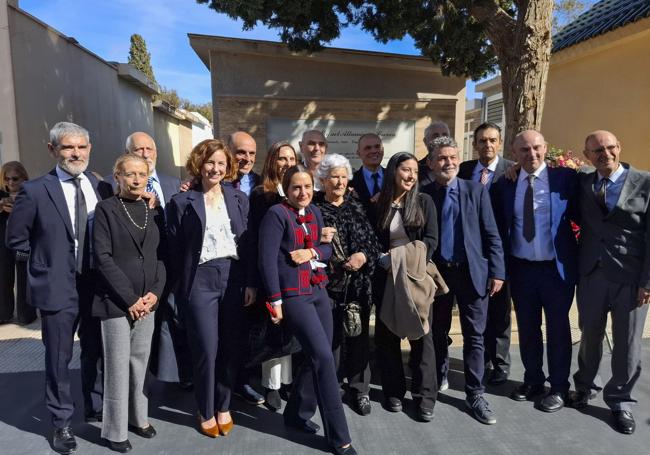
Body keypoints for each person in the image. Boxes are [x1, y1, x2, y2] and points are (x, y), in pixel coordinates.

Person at [6, 122, 111, 454]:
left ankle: (95, 406)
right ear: (53, 150)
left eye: (81, 146)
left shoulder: (100, 187)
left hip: (96, 284)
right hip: (56, 289)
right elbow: (16, 239)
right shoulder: (36, 190)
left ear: (89, 149)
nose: (75, 153)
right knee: (59, 357)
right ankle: (61, 421)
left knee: (96, 350)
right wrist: (42, 267)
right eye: (68, 147)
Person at [258, 165, 356, 455]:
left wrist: (312, 252)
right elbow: (266, 261)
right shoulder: (276, 215)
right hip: (293, 296)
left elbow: (326, 249)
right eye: (295, 188)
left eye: (306, 187)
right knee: (324, 358)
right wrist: (275, 301)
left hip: (318, 290)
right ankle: (340, 437)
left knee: (320, 355)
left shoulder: (314, 212)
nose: (302, 193)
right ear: (285, 191)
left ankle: (296, 414)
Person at [167, 139, 251, 438]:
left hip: (233, 276)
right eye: (210, 162)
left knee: (230, 345)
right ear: (199, 165)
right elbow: (174, 251)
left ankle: (224, 406)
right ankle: (204, 408)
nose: (215, 168)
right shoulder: (181, 202)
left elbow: (248, 243)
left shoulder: (239, 198)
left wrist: (251, 282)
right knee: (206, 347)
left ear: (227, 168)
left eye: (221, 163)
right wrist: (181, 287)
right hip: (199, 280)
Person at [491, 130, 578, 413]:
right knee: (527, 329)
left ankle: (560, 387)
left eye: (537, 148)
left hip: (555, 271)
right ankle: (533, 380)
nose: (532, 155)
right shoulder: (505, 184)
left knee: (558, 330)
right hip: (522, 269)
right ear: (514, 154)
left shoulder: (565, 179)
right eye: (524, 150)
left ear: (546, 148)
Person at [570, 130, 650, 435]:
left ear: (619, 148)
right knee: (590, 334)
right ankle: (586, 385)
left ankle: (620, 401)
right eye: (597, 150)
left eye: (610, 147)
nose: (605, 154)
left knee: (627, 342)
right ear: (587, 154)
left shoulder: (645, 182)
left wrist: (648, 281)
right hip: (592, 273)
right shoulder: (582, 180)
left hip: (631, 278)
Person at [421, 137, 505, 425]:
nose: (449, 163)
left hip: (472, 273)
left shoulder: (475, 191)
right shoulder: (424, 194)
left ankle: (475, 393)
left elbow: (491, 233)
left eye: (453, 157)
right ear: (431, 163)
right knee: (437, 332)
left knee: (475, 335)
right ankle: (438, 376)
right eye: (442, 158)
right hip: (437, 275)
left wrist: (497, 271)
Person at [93, 154, 166, 452]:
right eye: (130, 174)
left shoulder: (153, 211)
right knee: (117, 367)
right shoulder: (106, 210)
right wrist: (130, 299)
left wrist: (155, 293)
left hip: (148, 301)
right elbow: (103, 258)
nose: (136, 179)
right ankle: (114, 430)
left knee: (139, 364)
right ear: (117, 177)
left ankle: (139, 418)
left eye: (142, 174)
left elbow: (161, 256)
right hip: (116, 302)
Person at [108, 132, 191, 390]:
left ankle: (175, 375)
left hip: (171, 265)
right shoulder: (117, 189)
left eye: (149, 149)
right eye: (138, 149)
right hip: (136, 272)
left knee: (172, 321)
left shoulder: (173, 183)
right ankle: (137, 387)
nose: (145, 154)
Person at [371, 152, 438, 422]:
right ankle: (394, 392)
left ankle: (424, 397)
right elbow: (372, 239)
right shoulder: (378, 203)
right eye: (405, 170)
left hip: (416, 279)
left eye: (414, 171)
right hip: (386, 278)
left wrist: (399, 260)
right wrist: (383, 261)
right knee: (387, 338)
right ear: (393, 172)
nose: (411, 176)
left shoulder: (424, 202)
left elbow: (431, 241)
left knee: (422, 338)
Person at [313, 153, 381, 416]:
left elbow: (373, 242)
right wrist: (319, 236)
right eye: (334, 177)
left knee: (359, 337)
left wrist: (363, 255)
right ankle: (330, 388)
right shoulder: (316, 209)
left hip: (357, 285)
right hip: (326, 285)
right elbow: (300, 240)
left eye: (343, 177)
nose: (340, 182)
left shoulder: (357, 205)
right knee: (330, 339)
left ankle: (359, 390)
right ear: (323, 180)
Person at [458, 122, 515, 386]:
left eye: (492, 140)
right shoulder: (464, 170)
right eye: (482, 141)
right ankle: (485, 361)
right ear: (475, 144)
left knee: (500, 312)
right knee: (478, 310)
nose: (487, 145)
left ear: (500, 143)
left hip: (500, 251)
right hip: (470, 253)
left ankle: (501, 363)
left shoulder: (511, 171)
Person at [248, 140, 298, 411]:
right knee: (272, 328)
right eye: (281, 158)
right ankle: (271, 386)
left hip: (293, 272)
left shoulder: (298, 191)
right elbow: (256, 238)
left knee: (289, 330)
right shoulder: (261, 194)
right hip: (270, 271)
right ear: (272, 162)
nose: (287, 163)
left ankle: (286, 381)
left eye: (291, 159)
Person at [0, 161, 35, 324]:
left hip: (23, 241)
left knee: (24, 278)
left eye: (15, 178)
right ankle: (3, 313)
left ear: (23, 178)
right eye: (7, 179)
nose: (11, 183)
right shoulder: (1, 195)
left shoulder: (30, 193)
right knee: (3, 276)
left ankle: (26, 314)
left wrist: (20, 211)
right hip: (3, 242)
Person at [350, 133, 385, 211]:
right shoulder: (350, 181)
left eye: (377, 146)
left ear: (383, 150)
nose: (373, 151)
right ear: (358, 153)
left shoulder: (394, 177)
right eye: (368, 148)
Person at [228, 131, 260, 197]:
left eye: (251, 153)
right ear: (228, 152)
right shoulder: (216, 181)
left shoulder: (261, 183)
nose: (248, 159)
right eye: (241, 153)